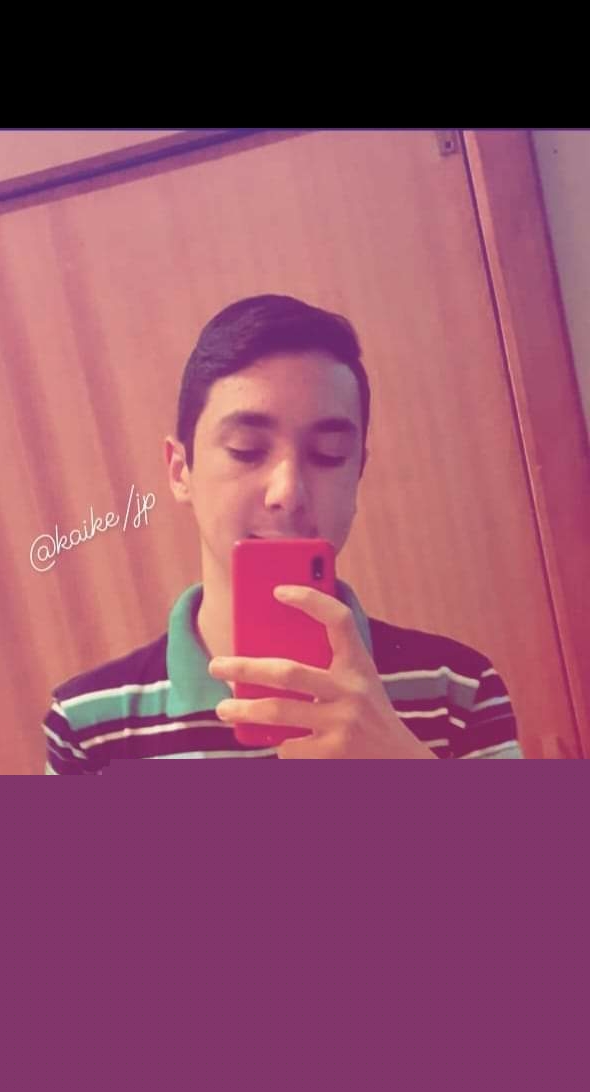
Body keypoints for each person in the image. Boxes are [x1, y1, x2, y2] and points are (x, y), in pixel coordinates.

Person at [43, 295, 523, 767]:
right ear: (180, 470)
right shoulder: (88, 729)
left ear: (357, 472)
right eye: (246, 449)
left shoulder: (457, 691)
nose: (288, 491)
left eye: (329, 455)